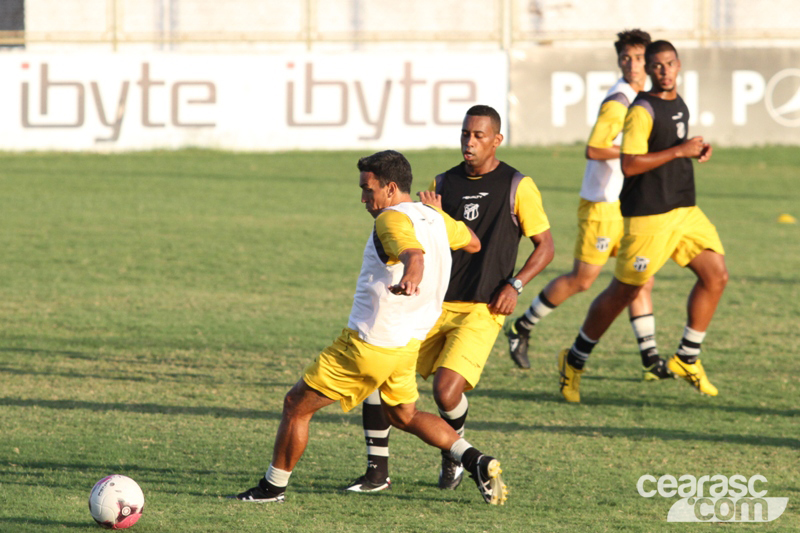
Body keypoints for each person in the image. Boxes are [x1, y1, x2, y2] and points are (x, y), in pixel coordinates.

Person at [234, 150, 509, 505]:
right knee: (404, 415)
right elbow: (473, 241)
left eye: (368, 189)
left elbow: (414, 255)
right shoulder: (435, 218)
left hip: (370, 344)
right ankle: (476, 460)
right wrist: (438, 217)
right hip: (407, 345)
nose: (363, 198)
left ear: (391, 188)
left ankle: (271, 489)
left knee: (296, 405)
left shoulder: (390, 219)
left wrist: (412, 276)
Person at [346, 105, 553, 493]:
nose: (469, 143)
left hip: (483, 307)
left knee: (445, 389)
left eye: (478, 136)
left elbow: (546, 246)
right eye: (464, 135)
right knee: (378, 369)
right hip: (435, 304)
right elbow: (429, 234)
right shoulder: (442, 182)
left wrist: (517, 285)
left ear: (497, 139)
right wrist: (435, 216)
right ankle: (377, 474)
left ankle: (453, 455)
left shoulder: (517, 185)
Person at [557, 40, 728, 403]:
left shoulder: (677, 103)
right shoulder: (641, 110)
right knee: (625, 292)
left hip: (684, 209)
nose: (664, 71)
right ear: (649, 70)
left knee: (716, 275)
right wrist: (680, 150)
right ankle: (574, 360)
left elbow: (670, 148)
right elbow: (631, 164)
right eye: (657, 66)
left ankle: (687, 356)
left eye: (670, 64)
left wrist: (694, 150)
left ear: (679, 65)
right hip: (648, 217)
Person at [506, 29, 671, 382]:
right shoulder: (620, 99)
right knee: (583, 280)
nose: (632, 64)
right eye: (625, 58)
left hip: (626, 205)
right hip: (602, 205)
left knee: (641, 277)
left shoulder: (645, 96)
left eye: (638, 57)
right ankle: (522, 326)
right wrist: (640, 155)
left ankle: (651, 357)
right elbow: (595, 149)